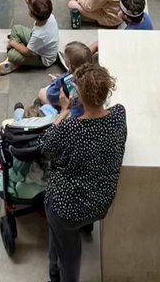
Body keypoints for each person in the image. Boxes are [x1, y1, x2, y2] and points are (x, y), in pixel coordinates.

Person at [39, 62, 126, 282]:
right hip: (101, 201)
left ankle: (57, 271)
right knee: (61, 231)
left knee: (68, 251)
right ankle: (55, 264)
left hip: (66, 208)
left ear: (79, 95)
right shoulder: (118, 116)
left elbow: (45, 147)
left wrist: (63, 112)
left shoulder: (71, 129)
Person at [0, 0, 59, 74]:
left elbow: (27, 52)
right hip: (40, 44)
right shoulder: (49, 16)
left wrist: (13, 43)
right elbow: (39, 9)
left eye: (29, 8)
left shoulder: (39, 35)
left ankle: (17, 59)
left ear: (32, 14)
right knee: (16, 28)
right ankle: (20, 46)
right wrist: (29, 2)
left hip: (43, 58)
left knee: (12, 55)